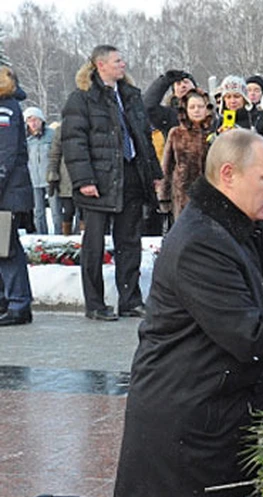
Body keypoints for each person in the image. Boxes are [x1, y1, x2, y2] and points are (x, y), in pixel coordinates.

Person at [13, 129, 263, 497]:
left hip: (222, 387)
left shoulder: (230, 225)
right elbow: (247, 333)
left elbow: (245, 316)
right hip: (188, 408)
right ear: (228, 175)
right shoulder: (203, 240)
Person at [62, 45, 163, 321]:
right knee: (94, 245)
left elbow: (143, 136)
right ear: (101, 64)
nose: (123, 64)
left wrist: (153, 172)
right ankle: (95, 304)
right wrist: (84, 180)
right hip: (98, 181)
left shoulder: (130, 96)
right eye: (118, 60)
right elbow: (74, 143)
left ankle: (130, 301)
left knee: (129, 242)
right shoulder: (82, 98)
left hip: (130, 177)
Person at [0, 65, 35, 326]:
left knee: (7, 249)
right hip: (7, 191)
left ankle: (18, 304)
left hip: (7, 192)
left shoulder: (6, 108)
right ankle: (9, 300)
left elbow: (6, 153)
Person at [159, 88, 216, 220]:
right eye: (192, 107)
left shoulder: (215, 132)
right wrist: (164, 196)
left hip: (210, 195)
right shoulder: (176, 133)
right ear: (185, 110)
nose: (196, 110)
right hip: (182, 195)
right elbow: (167, 167)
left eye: (200, 106)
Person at [24, 106, 54, 234]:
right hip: (33, 179)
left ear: (41, 120)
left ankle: (58, 236)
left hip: (50, 178)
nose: (33, 123)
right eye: (30, 120)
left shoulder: (52, 135)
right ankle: (41, 236)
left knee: (56, 211)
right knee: (38, 211)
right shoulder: (24, 139)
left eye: (36, 120)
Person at [47, 123, 78, 235]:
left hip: (86, 178)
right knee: (68, 211)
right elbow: (54, 155)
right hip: (66, 179)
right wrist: (52, 176)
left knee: (84, 213)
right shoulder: (61, 131)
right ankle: (67, 237)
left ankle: (83, 238)